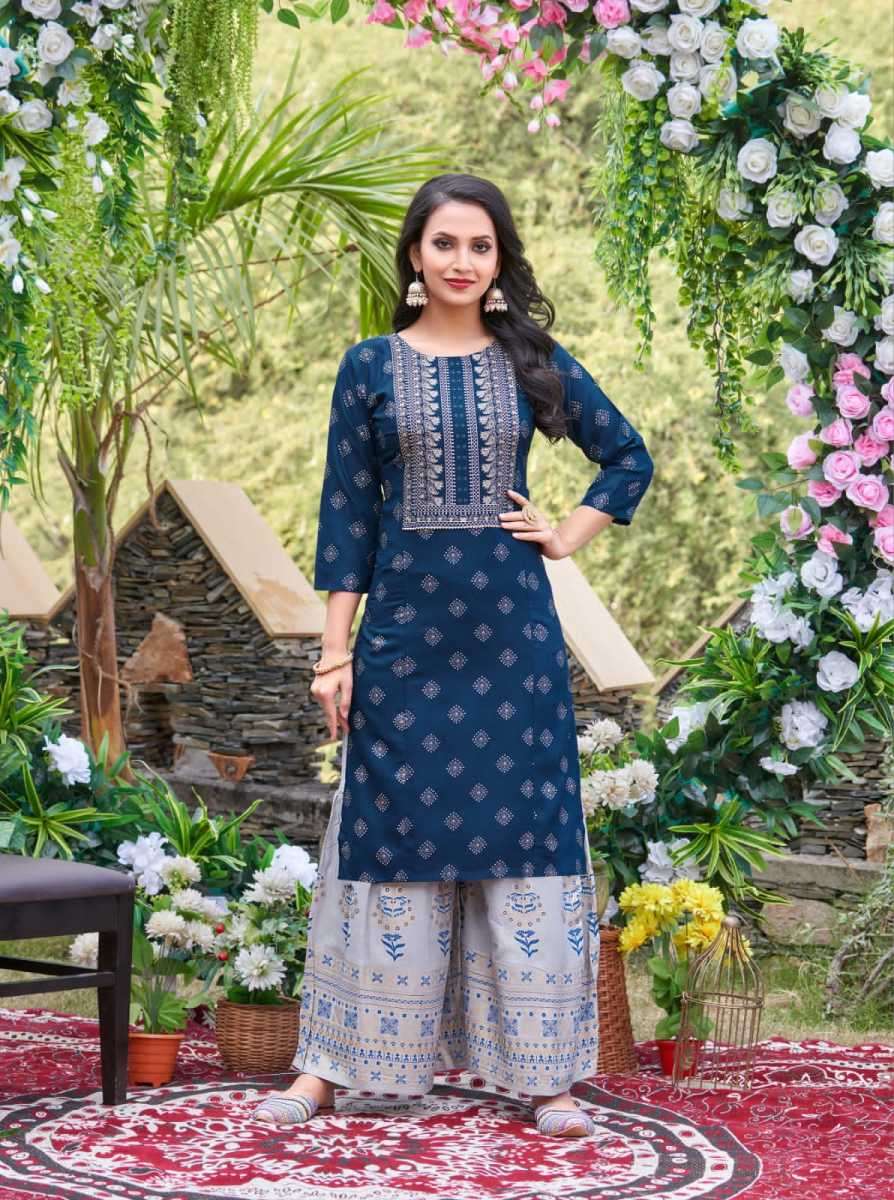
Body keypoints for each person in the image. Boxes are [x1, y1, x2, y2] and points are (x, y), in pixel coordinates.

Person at [253, 172, 654, 1138]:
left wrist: (566, 534)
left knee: (528, 840)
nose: (463, 262)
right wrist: (334, 654)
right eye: (445, 244)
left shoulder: (531, 361)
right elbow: (346, 518)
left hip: (513, 647)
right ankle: (329, 1064)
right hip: (403, 644)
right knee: (383, 835)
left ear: (500, 259)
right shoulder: (370, 366)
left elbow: (627, 456)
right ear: (415, 256)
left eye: (481, 246)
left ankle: (548, 1078)